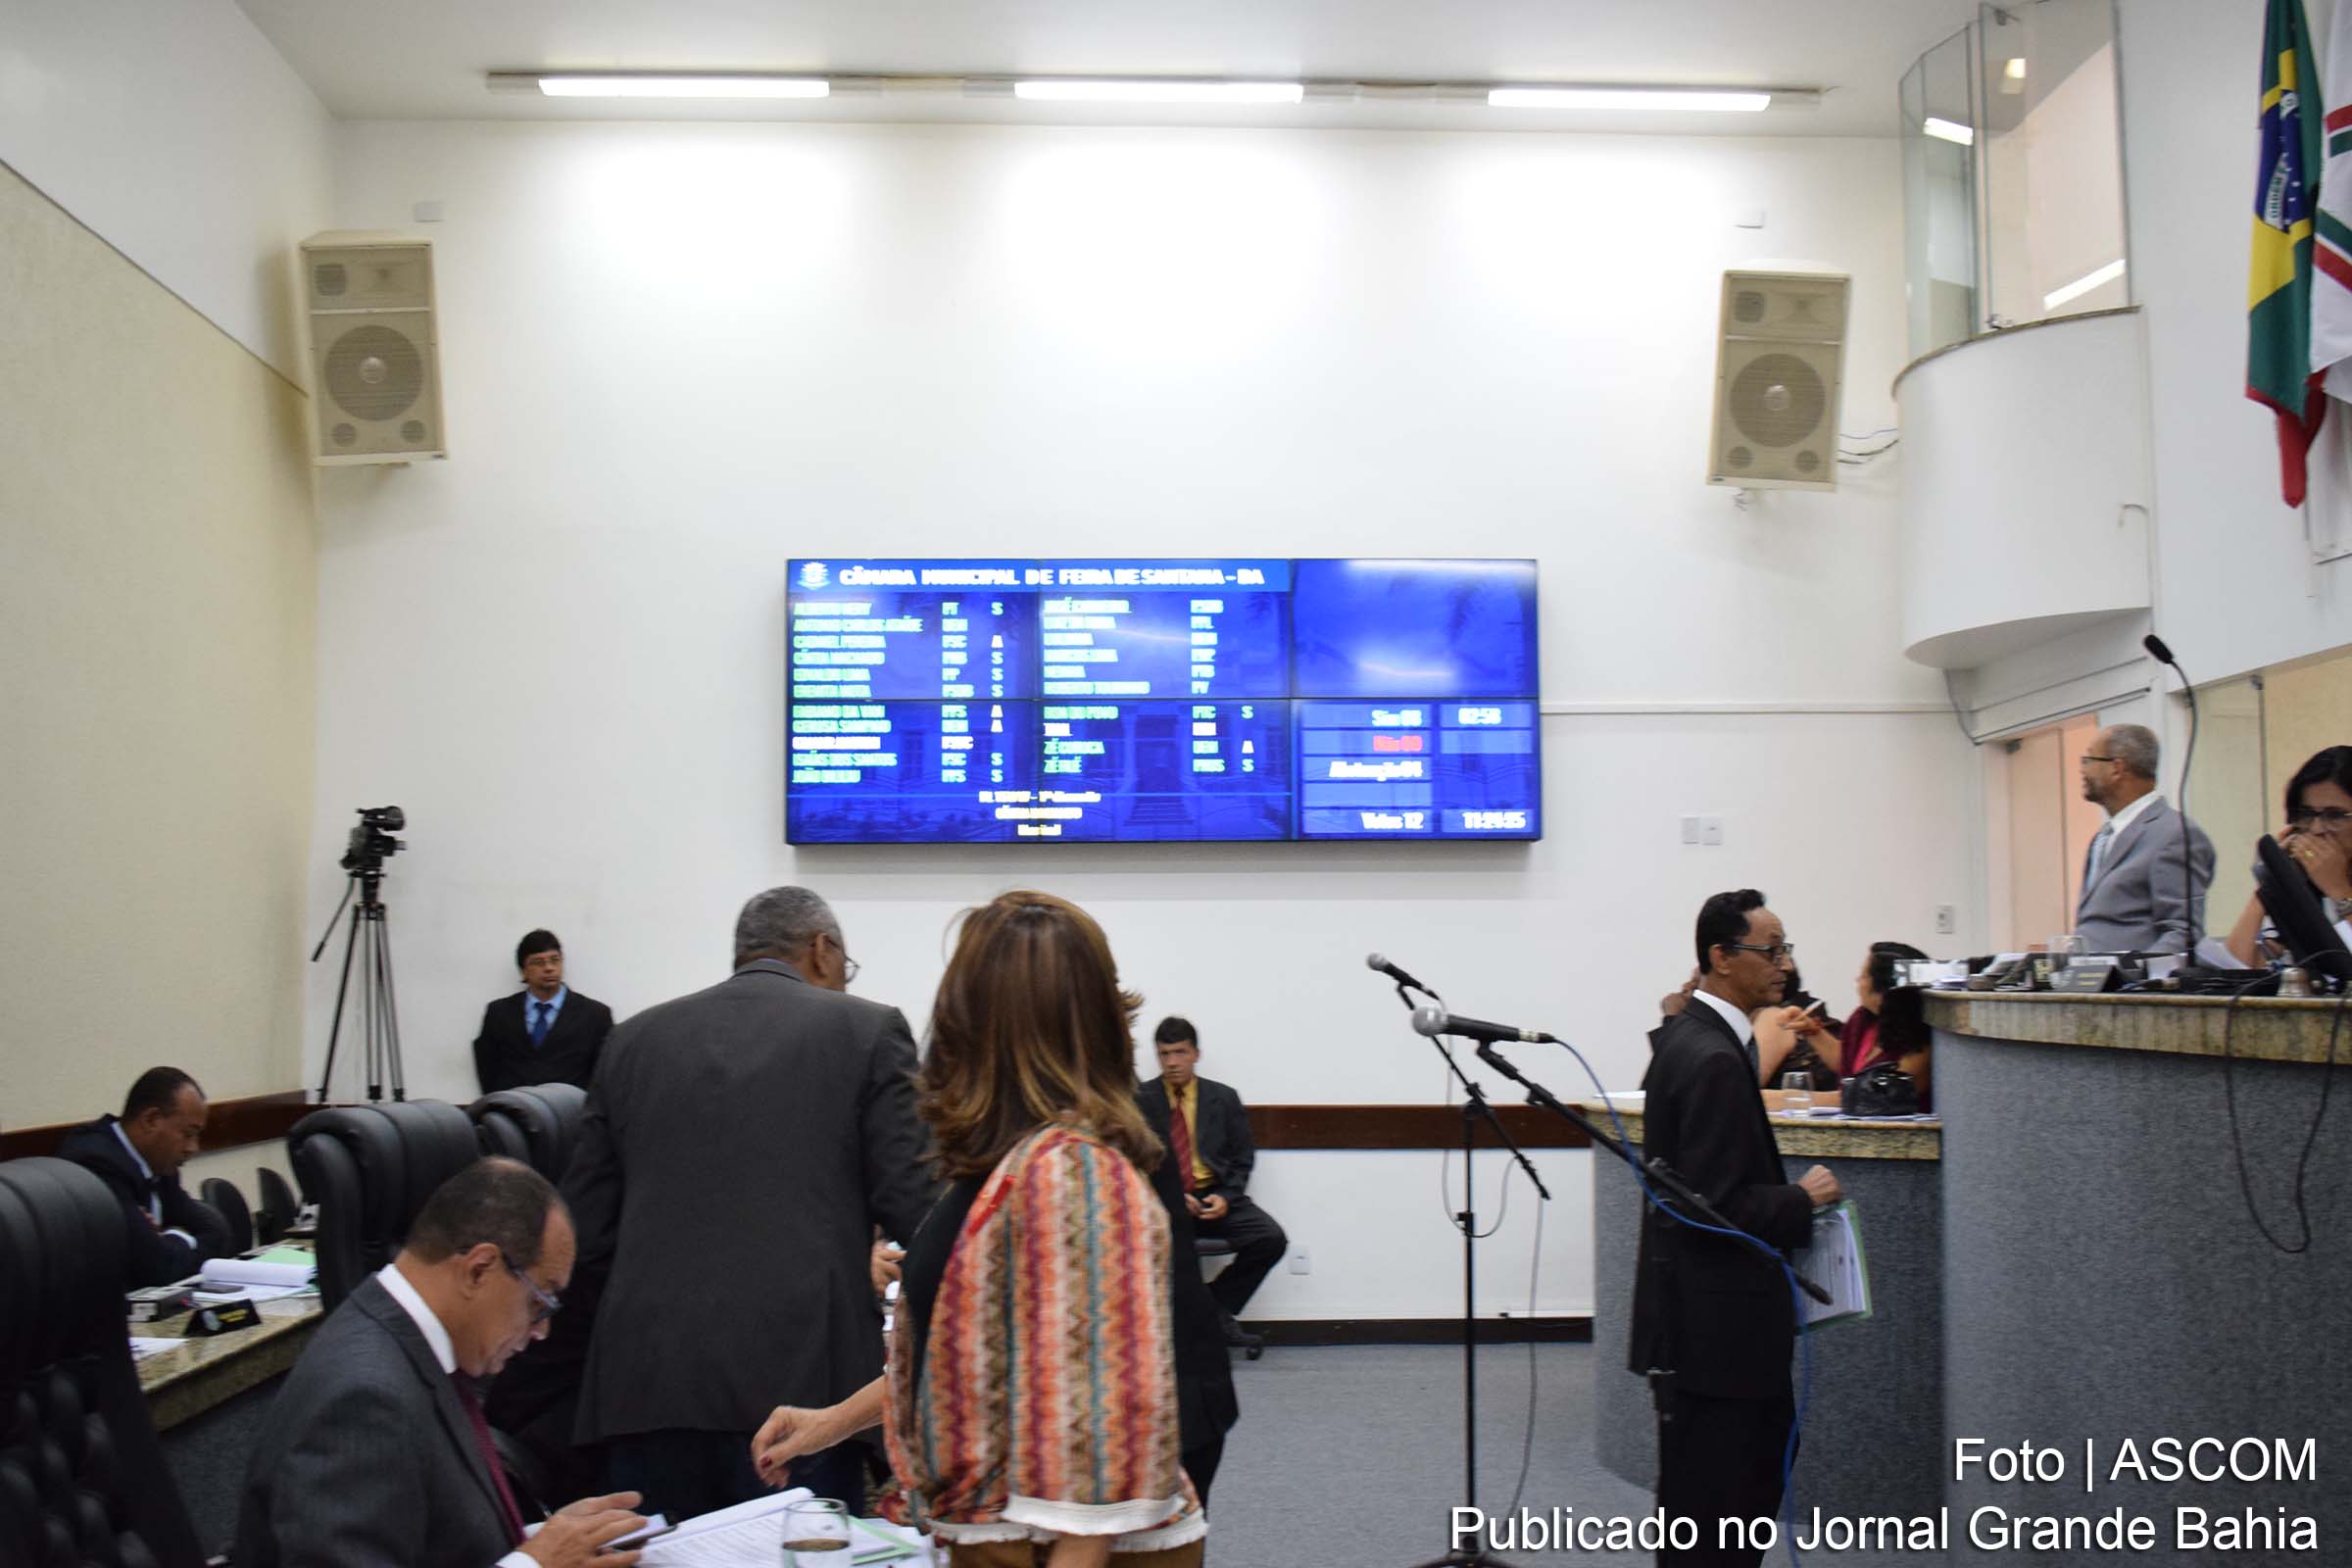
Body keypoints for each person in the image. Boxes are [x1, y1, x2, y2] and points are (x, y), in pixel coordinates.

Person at [564, 887, 932, 1521]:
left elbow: (583, 1233)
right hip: (802, 1394)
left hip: (644, 1387)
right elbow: (918, 1211)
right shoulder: (866, 1031)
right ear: (823, 950)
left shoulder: (631, 1040)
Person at [234, 1157, 650, 1568]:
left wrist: (544, 1538)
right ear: (479, 1269)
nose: (542, 1330)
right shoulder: (364, 1401)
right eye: (540, 1301)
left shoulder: (410, 1352)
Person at [1633, 890, 1841, 1567]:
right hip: (1721, 1334)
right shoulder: (1715, 1059)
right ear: (1721, 957)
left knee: (1698, 1508)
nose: (1785, 965)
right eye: (1770, 950)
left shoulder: (1689, 1035)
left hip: (1694, 1323)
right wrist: (1799, 1199)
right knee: (1726, 1509)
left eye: (1786, 950)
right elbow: (1709, 1204)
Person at [1137, 1017, 1288, 1349]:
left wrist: (1226, 1196)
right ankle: (1165, 1325)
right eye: (1164, 1054)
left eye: (1180, 1052)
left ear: (1196, 1054)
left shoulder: (1223, 1098)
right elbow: (1134, 1162)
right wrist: (1171, 1195)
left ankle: (1214, 1307)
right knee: (1139, 1244)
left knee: (1270, 1238)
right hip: (1165, 1200)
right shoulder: (1141, 1099)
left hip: (1214, 1195)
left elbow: (1242, 1157)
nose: (1172, 1062)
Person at [57, 1066, 233, 1287]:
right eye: (187, 1134)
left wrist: (169, 1239)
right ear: (151, 1120)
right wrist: (180, 1238)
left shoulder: (159, 1163)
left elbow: (216, 1231)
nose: (193, 1148)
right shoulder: (97, 1163)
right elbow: (156, 1270)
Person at [2074, 723, 2216, 953]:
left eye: (2089, 760)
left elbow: (2182, 933)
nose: (2083, 769)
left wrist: (2134, 972)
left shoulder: (2175, 834)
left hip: (2132, 976)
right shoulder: (2102, 839)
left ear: (2117, 769)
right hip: (2087, 975)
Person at [2225, 745, 2352, 965]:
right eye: (2306, 814)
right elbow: (2234, 967)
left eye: (2334, 815)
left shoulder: (2334, 886)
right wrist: (2272, 880)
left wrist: (2339, 891)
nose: (2316, 829)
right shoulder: (2304, 886)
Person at [473, 930, 615, 1095]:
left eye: (555, 960)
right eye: (538, 962)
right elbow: (487, 1068)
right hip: (513, 1107)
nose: (549, 968)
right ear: (524, 970)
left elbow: (605, 1073)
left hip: (570, 1107)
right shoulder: (499, 1013)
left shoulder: (595, 1015)